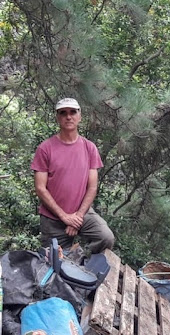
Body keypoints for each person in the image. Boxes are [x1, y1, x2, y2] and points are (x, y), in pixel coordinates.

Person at [31, 98, 114, 254]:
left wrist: (77, 218)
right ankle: (68, 261)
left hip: (83, 213)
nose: (68, 117)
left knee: (105, 237)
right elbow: (40, 188)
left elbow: (92, 186)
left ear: (79, 116)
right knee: (52, 264)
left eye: (72, 112)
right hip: (53, 219)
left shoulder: (89, 148)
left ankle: (78, 258)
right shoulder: (45, 148)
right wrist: (65, 217)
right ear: (57, 117)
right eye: (63, 113)